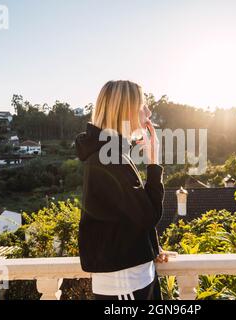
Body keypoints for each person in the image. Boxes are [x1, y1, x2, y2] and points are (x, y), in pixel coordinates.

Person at [75, 80, 177, 300]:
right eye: (143, 105)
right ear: (126, 110)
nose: (148, 111)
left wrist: (152, 248)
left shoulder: (112, 153)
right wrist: (153, 162)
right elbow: (147, 215)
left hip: (132, 276)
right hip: (124, 282)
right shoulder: (109, 158)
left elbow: (130, 214)